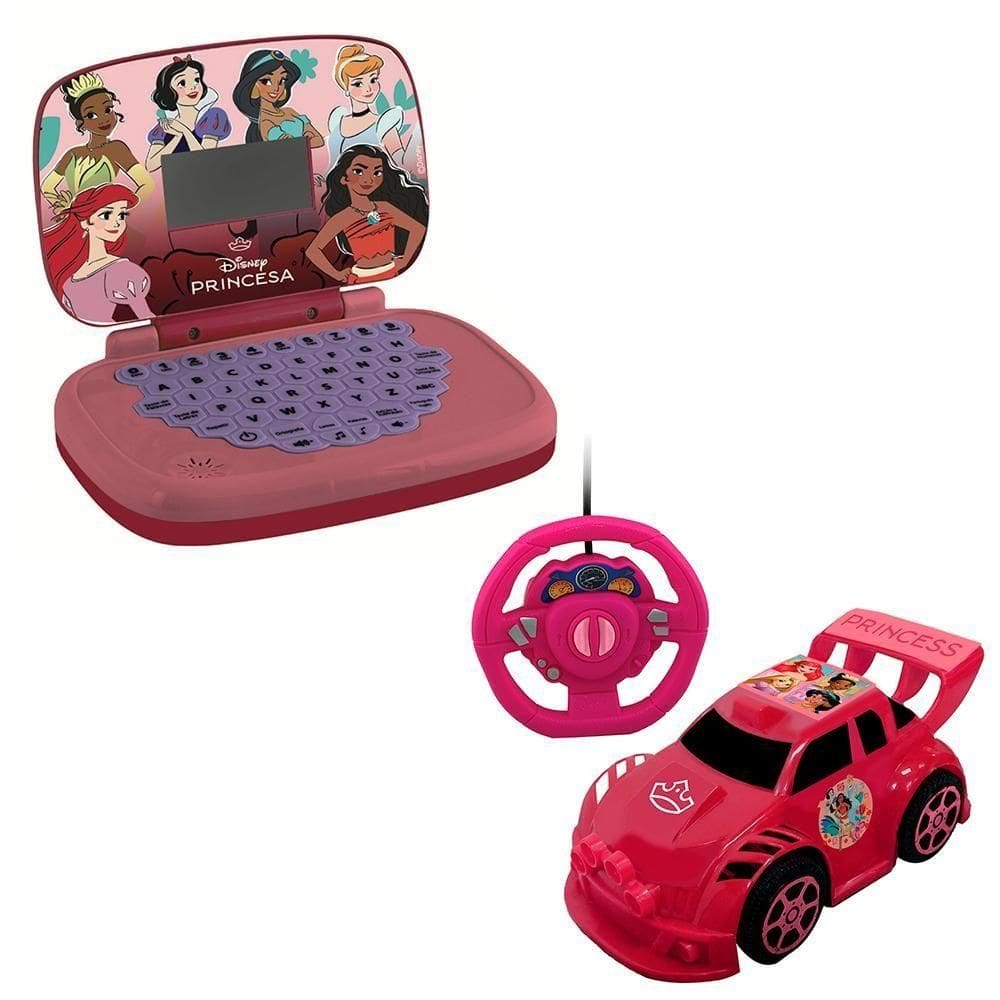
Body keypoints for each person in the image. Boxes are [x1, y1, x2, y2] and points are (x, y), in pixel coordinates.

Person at [306, 145, 427, 285]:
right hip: (361, 278)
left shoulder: (385, 207)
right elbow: (313, 250)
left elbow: (418, 228)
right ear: (344, 178)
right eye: (358, 171)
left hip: (392, 273)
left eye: (377, 173)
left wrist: (405, 260)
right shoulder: (343, 217)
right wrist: (336, 274)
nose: (369, 179)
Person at [41, 73, 153, 214]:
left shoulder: (116, 149)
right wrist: (66, 210)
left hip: (103, 221)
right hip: (77, 220)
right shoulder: (72, 153)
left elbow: (146, 184)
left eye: (108, 110)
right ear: (80, 123)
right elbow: (47, 187)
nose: (104, 119)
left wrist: (117, 212)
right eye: (91, 115)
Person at [42, 184, 153, 323]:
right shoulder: (70, 272)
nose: (117, 223)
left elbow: (146, 316)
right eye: (106, 215)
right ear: (85, 222)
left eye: (121, 215)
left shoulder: (122, 271)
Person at [145, 54, 231, 172]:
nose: (193, 87)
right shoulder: (165, 126)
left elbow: (206, 161)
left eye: (197, 80)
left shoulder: (212, 117)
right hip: (176, 180)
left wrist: (185, 131)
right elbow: (150, 165)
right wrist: (177, 137)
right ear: (168, 92)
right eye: (182, 83)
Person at [327, 43, 407, 165]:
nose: (368, 89)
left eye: (373, 80)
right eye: (358, 84)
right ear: (346, 88)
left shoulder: (383, 125)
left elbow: (403, 163)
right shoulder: (337, 120)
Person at [232, 49, 323, 147]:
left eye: (282, 80)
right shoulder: (265, 122)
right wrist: (306, 137)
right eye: (266, 81)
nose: (276, 88)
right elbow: (289, 147)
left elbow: (318, 140)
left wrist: (303, 139)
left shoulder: (290, 111)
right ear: (253, 85)